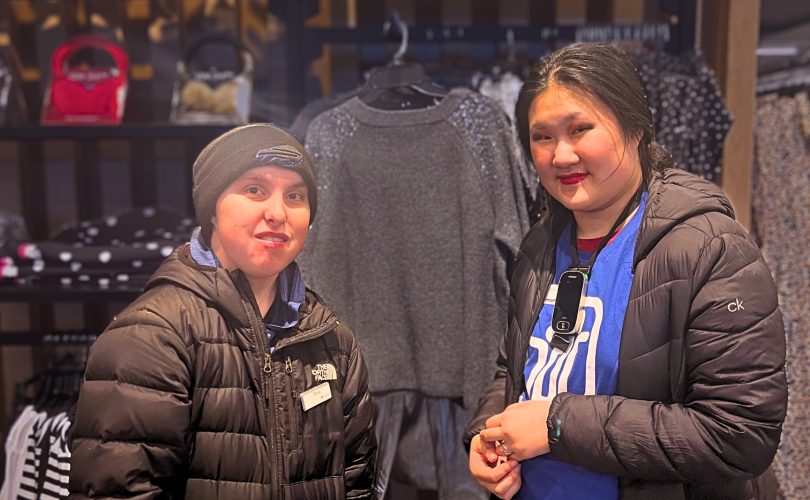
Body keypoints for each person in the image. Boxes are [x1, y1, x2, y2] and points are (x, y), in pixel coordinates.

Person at [465, 43, 787, 499]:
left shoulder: (710, 249)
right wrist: (485, 436)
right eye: (542, 136)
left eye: (581, 129)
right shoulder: (540, 245)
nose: (561, 155)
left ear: (635, 129)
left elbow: (740, 433)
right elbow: (517, 369)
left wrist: (559, 424)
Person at [69, 124, 377, 499]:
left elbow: (357, 484)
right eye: (254, 190)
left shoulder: (331, 338)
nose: (278, 212)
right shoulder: (153, 334)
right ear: (212, 208)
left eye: (295, 195)